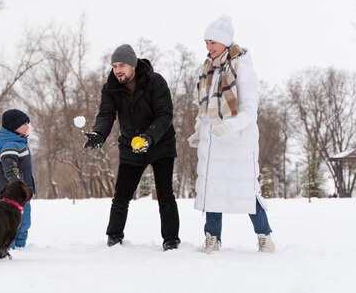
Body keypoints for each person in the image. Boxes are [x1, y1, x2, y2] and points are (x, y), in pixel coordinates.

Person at [187, 15, 275, 254]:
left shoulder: (242, 68)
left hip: (237, 143)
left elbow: (249, 111)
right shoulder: (207, 69)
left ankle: (264, 236)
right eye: (206, 42)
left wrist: (228, 127)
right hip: (212, 141)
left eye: (213, 41)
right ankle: (212, 237)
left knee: (245, 191)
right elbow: (203, 109)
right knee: (211, 190)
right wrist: (198, 130)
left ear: (226, 41)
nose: (208, 46)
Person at [83, 44, 180, 251]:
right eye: (114, 66)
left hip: (160, 143)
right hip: (130, 145)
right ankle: (114, 237)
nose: (118, 70)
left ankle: (171, 239)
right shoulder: (111, 87)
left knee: (165, 193)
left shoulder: (155, 82)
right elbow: (106, 114)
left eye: (122, 65)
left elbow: (165, 114)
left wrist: (149, 137)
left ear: (133, 64)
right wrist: (99, 134)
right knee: (121, 195)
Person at [0, 108, 36, 248]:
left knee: (24, 222)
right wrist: (20, 188)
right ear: (14, 126)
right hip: (13, 196)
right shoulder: (10, 145)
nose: (28, 127)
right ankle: (8, 248)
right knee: (12, 223)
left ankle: (20, 246)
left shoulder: (18, 143)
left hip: (21, 194)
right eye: (25, 124)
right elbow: (10, 170)